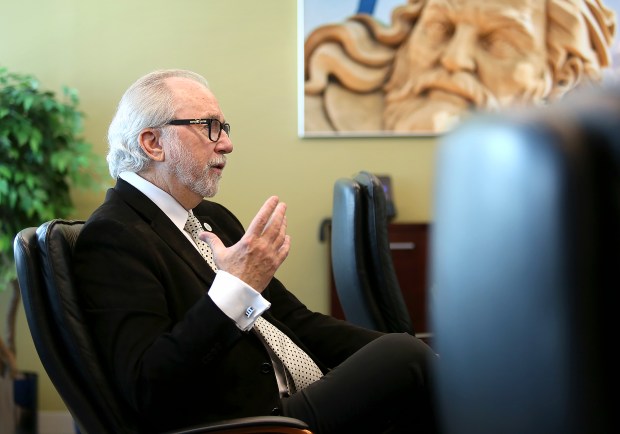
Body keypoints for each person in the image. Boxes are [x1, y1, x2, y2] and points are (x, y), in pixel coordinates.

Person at [73, 69, 439, 434]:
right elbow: (149, 386)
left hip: (297, 398)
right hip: (257, 423)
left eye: (224, 127)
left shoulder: (208, 217)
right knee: (405, 360)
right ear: (153, 143)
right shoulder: (113, 235)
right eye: (207, 126)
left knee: (408, 358)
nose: (226, 144)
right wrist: (234, 289)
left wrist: (428, 359)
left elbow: (296, 321)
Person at [304, 0, 616, 134]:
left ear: (560, 74)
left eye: (499, 42)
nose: (454, 59)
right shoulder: (315, 111)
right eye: (441, 28)